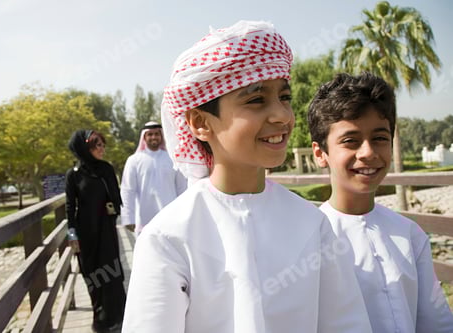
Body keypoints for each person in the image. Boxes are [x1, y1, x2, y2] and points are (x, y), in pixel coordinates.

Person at [121, 20, 372, 333]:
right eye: (256, 100)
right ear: (200, 122)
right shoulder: (168, 237)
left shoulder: (312, 223)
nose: (282, 115)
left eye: (285, 97)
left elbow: (346, 324)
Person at [308, 72, 453, 333]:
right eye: (350, 141)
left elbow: (436, 321)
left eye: (380, 138)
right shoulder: (308, 240)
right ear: (321, 153)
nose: (368, 153)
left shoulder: (410, 235)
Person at [65, 130, 126, 333]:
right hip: (86, 235)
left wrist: (113, 207)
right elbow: (69, 207)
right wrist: (72, 235)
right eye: (97, 145)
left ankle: (117, 319)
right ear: (85, 148)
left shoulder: (106, 169)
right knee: (93, 276)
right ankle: (100, 319)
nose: (102, 149)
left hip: (106, 232)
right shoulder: (73, 175)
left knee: (112, 275)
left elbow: (116, 197)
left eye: (103, 144)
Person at [120, 121, 187, 235]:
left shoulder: (172, 158)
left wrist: (185, 213)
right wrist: (128, 218)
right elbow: (128, 190)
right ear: (144, 137)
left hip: (171, 217)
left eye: (157, 134)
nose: (154, 137)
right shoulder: (134, 160)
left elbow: (182, 188)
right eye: (150, 134)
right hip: (145, 219)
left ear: (161, 136)